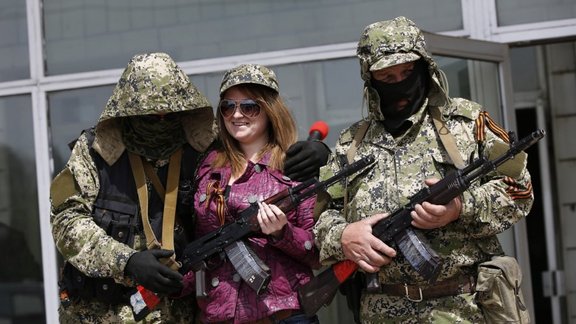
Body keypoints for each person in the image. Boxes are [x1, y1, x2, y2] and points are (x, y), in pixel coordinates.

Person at [50, 53, 328, 323]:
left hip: (177, 310)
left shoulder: (200, 146)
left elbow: (255, 140)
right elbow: (66, 222)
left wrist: (318, 153)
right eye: (149, 115)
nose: (161, 120)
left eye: (168, 113)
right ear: (127, 111)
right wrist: (126, 261)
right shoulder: (95, 152)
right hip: (101, 313)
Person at [313, 17, 534, 323]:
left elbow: (519, 190)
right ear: (370, 80)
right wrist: (344, 236)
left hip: (460, 308)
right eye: (387, 78)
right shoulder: (352, 143)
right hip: (381, 310)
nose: (400, 84)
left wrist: (461, 207)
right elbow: (321, 216)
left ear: (425, 69)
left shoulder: (468, 122)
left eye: (407, 72)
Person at [179, 63, 321, 323]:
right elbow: (200, 242)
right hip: (218, 313)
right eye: (227, 106)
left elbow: (318, 252)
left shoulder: (293, 166)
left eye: (249, 106)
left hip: (282, 314)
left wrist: (282, 233)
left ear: (269, 110)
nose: (236, 114)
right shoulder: (207, 167)